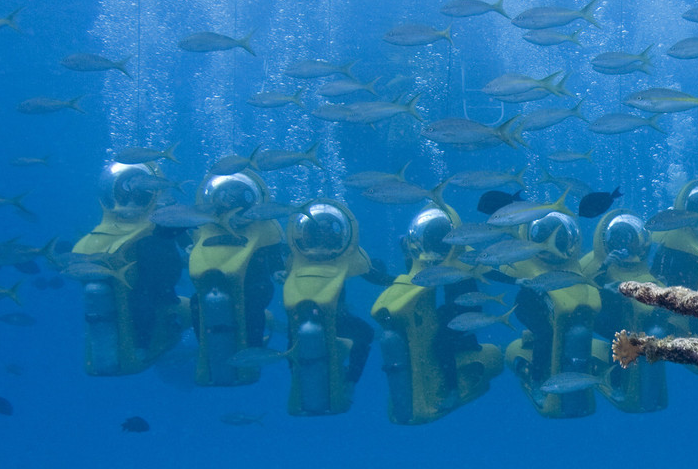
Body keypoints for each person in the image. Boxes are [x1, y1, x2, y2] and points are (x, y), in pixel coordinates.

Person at [371, 202, 501, 424]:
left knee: (441, 342)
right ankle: (463, 349)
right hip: (450, 310)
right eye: (432, 243)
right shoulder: (427, 258)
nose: (436, 251)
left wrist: (524, 281)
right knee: (433, 332)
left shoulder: (465, 255)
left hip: (467, 313)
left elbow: (495, 271)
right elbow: (411, 279)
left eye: (441, 243)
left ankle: (452, 391)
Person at [73, 161, 186, 375]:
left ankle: (144, 344)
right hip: (151, 293)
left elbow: (186, 238)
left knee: (143, 301)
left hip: (160, 294)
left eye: (141, 194)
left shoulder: (163, 217)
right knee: (142, 300)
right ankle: (142, 346)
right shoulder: (154, 221)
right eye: (125, 193)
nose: (132, 200)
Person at [188, 170, 285, 386]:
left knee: (252, 306)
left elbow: (274, 254)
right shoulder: (203, 223)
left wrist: (277, 271)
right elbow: (190, 240)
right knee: (197, 304)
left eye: (236, 197)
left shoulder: (266, 225)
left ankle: (253, 349)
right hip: (212, 284)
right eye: (225, 196)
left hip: (255, 284)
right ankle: (205, 351)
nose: (231, 203)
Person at [501, 210, 602, 418]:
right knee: (546, 334)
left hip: (556, 306)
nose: (549, 251)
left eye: (558, 242)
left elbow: (590, 270)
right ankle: (537, 381)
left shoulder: (571, 264)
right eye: (543, 242)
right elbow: (503, 267)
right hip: (528, 305)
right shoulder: (524, 259)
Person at [282, 199, 377, 416]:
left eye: (328, 228)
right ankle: (344, 382)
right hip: (331, 316)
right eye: (320, 229)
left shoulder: (299, 254)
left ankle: (305, 379)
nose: (324, 234)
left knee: (294, 335)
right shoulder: (342, 252)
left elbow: (371, 273)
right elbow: (371, 274)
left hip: (328, 314)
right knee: (365, 334)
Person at [581, 212, 668, 413]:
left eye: (629, 243)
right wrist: (605, 267)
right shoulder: (595, 263)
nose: (625, 249)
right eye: (619, 243)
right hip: (601, 316)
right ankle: (618, 383)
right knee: (624, 340)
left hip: (629, 316)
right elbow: (586, 288)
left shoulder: (640, 264)